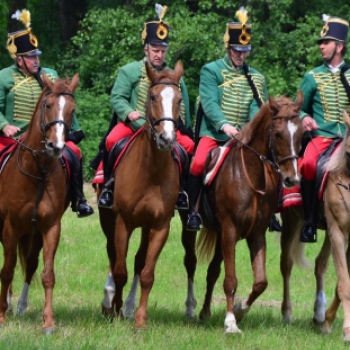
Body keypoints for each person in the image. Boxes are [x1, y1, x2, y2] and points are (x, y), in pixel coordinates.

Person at [187, 7, 281, 232]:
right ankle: (193, 210)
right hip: (216, 133)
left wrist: (248, 131)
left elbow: (256, 110)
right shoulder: (211, 70)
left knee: (273, 164)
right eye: (237, 50)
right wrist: (224, 125)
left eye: (244, 50)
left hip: (245, 137)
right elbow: (208, 103)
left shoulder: (256, 77)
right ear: (228, 47)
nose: (241, 55)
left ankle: (271, 213)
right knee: (199, 161)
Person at [97, 4, 194, 209]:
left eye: (163, 50)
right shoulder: (130, 70)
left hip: (165, 126)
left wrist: (177, 126)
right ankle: (109, 186)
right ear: (146, 49)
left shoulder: (173, 76)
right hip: (134, 123)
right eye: (155, 50)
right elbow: (117, 98)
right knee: (111, 140)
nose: (159, 54)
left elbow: (182, 106)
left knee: (189, 147)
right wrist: (128, 112)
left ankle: (182, 191)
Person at [0, 9, 94, 218]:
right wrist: (4, 125)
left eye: (36, 56)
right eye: (30, 57)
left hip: (48, 136)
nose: (35, 60)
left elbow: (65, 104)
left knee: (75, 154)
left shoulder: (49, 75)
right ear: (19, 59)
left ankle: (79, 200)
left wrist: (74, 129)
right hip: (13, 137)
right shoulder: (4, 77)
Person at [298, 15, 350, 243]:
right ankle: (310, 220)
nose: (321, 47)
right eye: (321, 42)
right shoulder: (312, 76)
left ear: (339, 46)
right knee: (308, 164)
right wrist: (305, 117)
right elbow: (297, 108)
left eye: (325, 42)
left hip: (349, 137)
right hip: (324, 137)